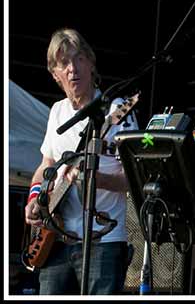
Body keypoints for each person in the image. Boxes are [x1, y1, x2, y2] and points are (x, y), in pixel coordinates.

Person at [24, 28, 139, 294]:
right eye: (64, 63)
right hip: (57, 238)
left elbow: (134, 178)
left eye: (79, 59)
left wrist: (97, 179)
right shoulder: (57, 112)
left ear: (91, 63)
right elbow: (46, 165)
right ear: (55, 75)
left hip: (103, 239)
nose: (73, 69)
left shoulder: (116, 111)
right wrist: (34, 199)